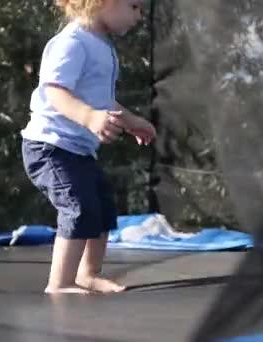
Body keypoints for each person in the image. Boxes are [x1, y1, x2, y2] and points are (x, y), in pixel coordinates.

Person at [21, 0, 157, 295]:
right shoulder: (73, 42)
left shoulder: (102, 46)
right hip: (49, 146)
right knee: (78, 207)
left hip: (78, 150)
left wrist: (132, 121)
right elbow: (54, 90)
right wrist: (88, 116)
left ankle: (88, 274)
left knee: (102, 206)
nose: (139, 16)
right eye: (134, 6)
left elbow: (102, 100)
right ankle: (59, 283)